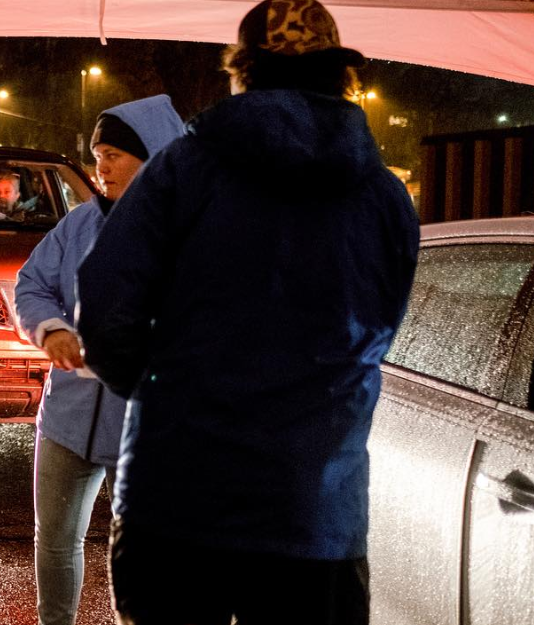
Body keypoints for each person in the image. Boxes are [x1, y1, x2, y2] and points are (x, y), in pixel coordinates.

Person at [75, 1, 420, 623]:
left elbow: (105, 306)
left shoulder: (185, 167)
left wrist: (163, 390)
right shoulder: (384, 194)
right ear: (342, 75)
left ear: (243, 72)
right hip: (315, 507)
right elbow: (380, 327)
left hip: (177, 498)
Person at [14, 95, 184, 625]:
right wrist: (52, 329)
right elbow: (33, 284)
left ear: (152, 156)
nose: (100, 166)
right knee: (55, 542)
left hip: (144, 425)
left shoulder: (186, 231)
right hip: (65, 419)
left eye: (112, 154)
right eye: (96, 153)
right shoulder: (79, 223)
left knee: (141, 553)